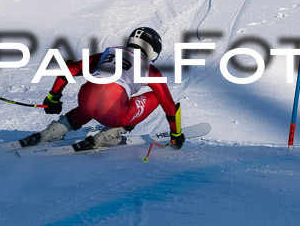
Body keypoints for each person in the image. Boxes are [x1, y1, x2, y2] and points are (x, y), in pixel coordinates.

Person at [20, 27, 184, 150]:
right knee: (155, 97)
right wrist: (176, 134)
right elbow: (169, 106)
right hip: (114, 112)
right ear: (152, 49)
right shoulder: (149, 68)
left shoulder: (108, 53)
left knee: (94, 98)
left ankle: (52, 132)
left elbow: (69, 70)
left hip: (85, 100)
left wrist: (53, 97)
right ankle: (108, 136)